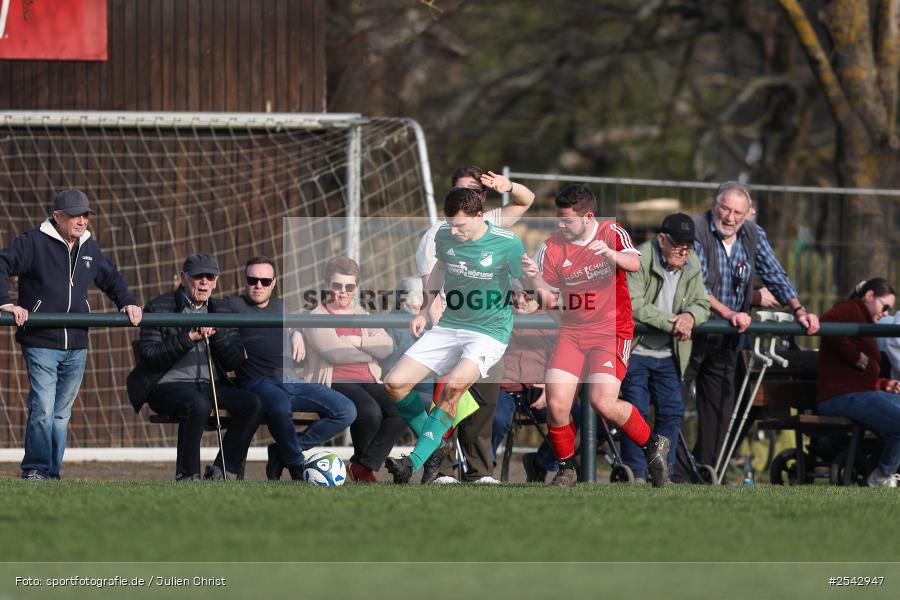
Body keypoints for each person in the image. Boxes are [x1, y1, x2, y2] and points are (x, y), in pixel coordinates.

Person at [522, 183, 671, 487]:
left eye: (567, 220)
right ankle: (566, 469)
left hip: (611, 331)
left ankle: (652, 445)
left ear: (588, 217)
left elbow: (634, 263)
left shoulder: (609, 232)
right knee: (557, 403)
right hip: (572, 331)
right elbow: (548, 300)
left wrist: (610, 254)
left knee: (602, 402)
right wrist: (534, 278)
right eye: (558, 219)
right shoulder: (551, 248)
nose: (560, 226)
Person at [382, 185, 527, 484]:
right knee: (394, 384)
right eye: (451, 224)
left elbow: (529, 281)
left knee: (453, 388)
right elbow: (439, 268)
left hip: (489, 332)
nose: (455, 231)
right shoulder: (445, 235)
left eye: (461, 225)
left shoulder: (508, 242)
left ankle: (413, 462)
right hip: (450, 325)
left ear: (479, 216)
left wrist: (539, 282)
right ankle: (435, 444)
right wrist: (424, 309)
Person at [0, 189, 142, 481]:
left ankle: (52, 473)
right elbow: (2, 264)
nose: (82, 221)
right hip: (41, 342)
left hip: (77, 344)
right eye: (76, 215)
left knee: (61, 414)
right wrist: (5, 303)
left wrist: (127, 302)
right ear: (57, 216)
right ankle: (35, 469)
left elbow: (111, 277)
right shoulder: (32, 241)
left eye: (86, 215)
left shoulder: (89, 246)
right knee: (43, 408)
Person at [687, 181, 819, 472]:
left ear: (749, 213)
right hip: (691, 330)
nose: (729, 217)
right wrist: (733, 311)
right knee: (671, 404)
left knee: (720, 411)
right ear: (714, 205)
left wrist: (799, 310)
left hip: (727, 339)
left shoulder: (753, 234)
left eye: (737, 212)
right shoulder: (696, 230)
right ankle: (660, 467)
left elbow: (776, 275)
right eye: (725, 209)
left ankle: (701, 473)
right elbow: (698, 286)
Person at [415, 165, 535, 484]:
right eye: (463, 190)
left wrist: (508, 185)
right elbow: (432, 289)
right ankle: (442, 470)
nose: (470, 195)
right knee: (448, 400)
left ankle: (479, 471)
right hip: (452, 329)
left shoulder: (489, 223)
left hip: (489, 332)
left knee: (483, 404)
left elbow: (526, 200)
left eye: (477, 191)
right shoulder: (438, 235)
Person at [126, 253, 263, 481]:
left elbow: (235, 361)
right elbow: (150, 357)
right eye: (198, 276)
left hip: (211, 386)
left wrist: (217, 336)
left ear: (216, 282)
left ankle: (222, 470)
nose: (204, 282)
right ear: (183, 278)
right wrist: (188, 338)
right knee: (198, 404)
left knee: (253, 403)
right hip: (166, 386)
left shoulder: (222, 310)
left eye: (210, 277)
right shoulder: (158, 307)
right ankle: (188, 475)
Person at [225, 256, 357, 481]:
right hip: (258, 383)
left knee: (346, 410)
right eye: (253, 280)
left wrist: (296, 332)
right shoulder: (232, 305)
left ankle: (283, 451)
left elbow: (297, 323)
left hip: (291, 381)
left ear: (273, 283)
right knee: (280, 406)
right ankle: (296, 464)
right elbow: (205, 310)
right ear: (245, 280)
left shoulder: (280, 306)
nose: (258, 285)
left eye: (265, 281)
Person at [619, 213, 709, 483]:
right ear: (662, 240)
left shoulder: (692, 263)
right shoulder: (639, 259)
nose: (684, 251)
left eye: (689, 245)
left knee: (672, 410)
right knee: (636, 410)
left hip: (670, 354)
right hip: (636, 351)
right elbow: (634, 304)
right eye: (679, 245)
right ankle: (635, 472)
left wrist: (690, 317)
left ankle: (662, 472)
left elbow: (702, 304)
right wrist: (673, 323)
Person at [303, 256, 404, 483]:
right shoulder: (317, 316)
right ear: (327, 285)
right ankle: (364, 470)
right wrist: (370, 350)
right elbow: (336, 354)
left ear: (356, 288)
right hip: (335, 381)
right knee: (370, 411)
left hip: (369, 378)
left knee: (401, 408)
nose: (343, 292)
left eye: (349, 287)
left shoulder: (363, 315)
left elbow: (387, 347)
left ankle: (362, 465)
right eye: (337, 286)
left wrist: (356, 341)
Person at [817, 278, 900, 487]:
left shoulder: (864, 321)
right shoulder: (851, 309)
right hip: (840, 397)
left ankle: (884, 473)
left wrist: (883, 384)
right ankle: (880, 477)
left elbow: (859, 377)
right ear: (869, 296)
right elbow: (826, 322)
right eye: (885, 307)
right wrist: (853, 355)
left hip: (856, 394)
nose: (886, 314)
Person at [381, 276, 434, 410]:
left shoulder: (425, 320)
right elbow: (390, 366)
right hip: (415, 389)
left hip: (424, 386)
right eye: (418, 308)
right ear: (404, 304)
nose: (422, 314)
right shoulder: (396, 326)